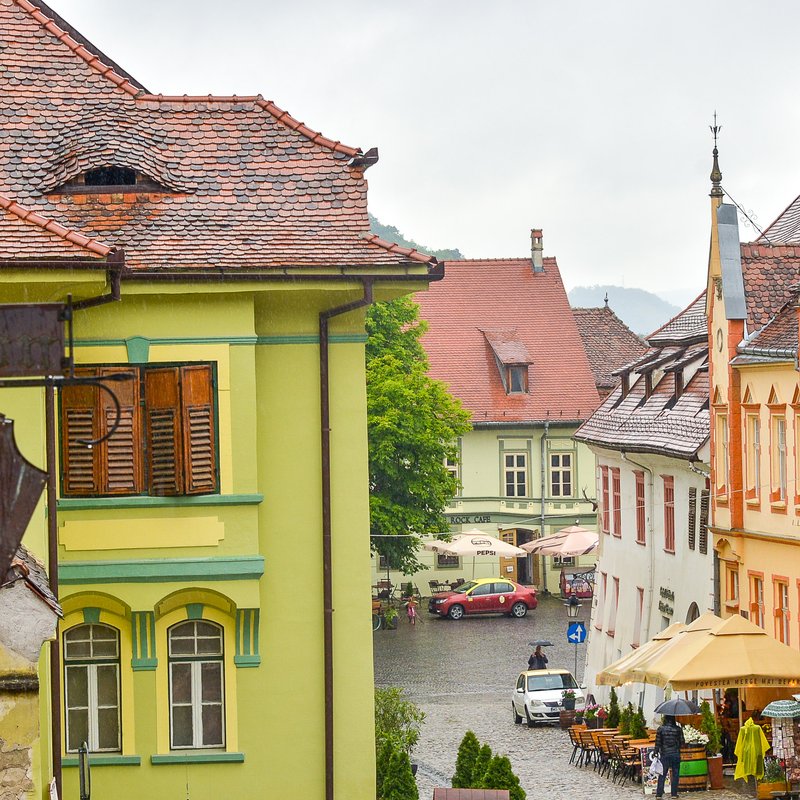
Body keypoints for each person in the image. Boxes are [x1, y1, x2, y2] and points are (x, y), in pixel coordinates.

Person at [654, 714, 684, 798]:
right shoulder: (678, 729)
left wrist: (655, 752)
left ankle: (659, 794)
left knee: (662, 774)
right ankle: (674, 794)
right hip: (675, 754)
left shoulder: (661, 729)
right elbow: (682, 742)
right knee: (675, 774)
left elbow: (658, 742)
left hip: (665, 754)